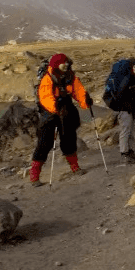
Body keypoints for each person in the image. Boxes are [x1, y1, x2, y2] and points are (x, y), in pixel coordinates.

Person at [30, 53, 93, 186]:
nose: (66, 65)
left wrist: (85, 102)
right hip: (50, 113)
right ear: (56, 64)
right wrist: (55, 107)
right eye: (63, 63)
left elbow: (79, 91)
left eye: (66, 63)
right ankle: (34, 174)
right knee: (44, 142)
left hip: (66, 110)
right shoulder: (48, 77)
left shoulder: (71, 76)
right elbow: (45, 96)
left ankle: (75, 166)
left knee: (69, 139)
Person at [112, 58, 135, 164]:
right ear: (131, 67)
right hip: (125, 108)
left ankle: (130, 150)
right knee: (125, 129)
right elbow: (120, 95)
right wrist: (134, 92)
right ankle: (124, 153)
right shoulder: (125, 78)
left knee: (132, 130)